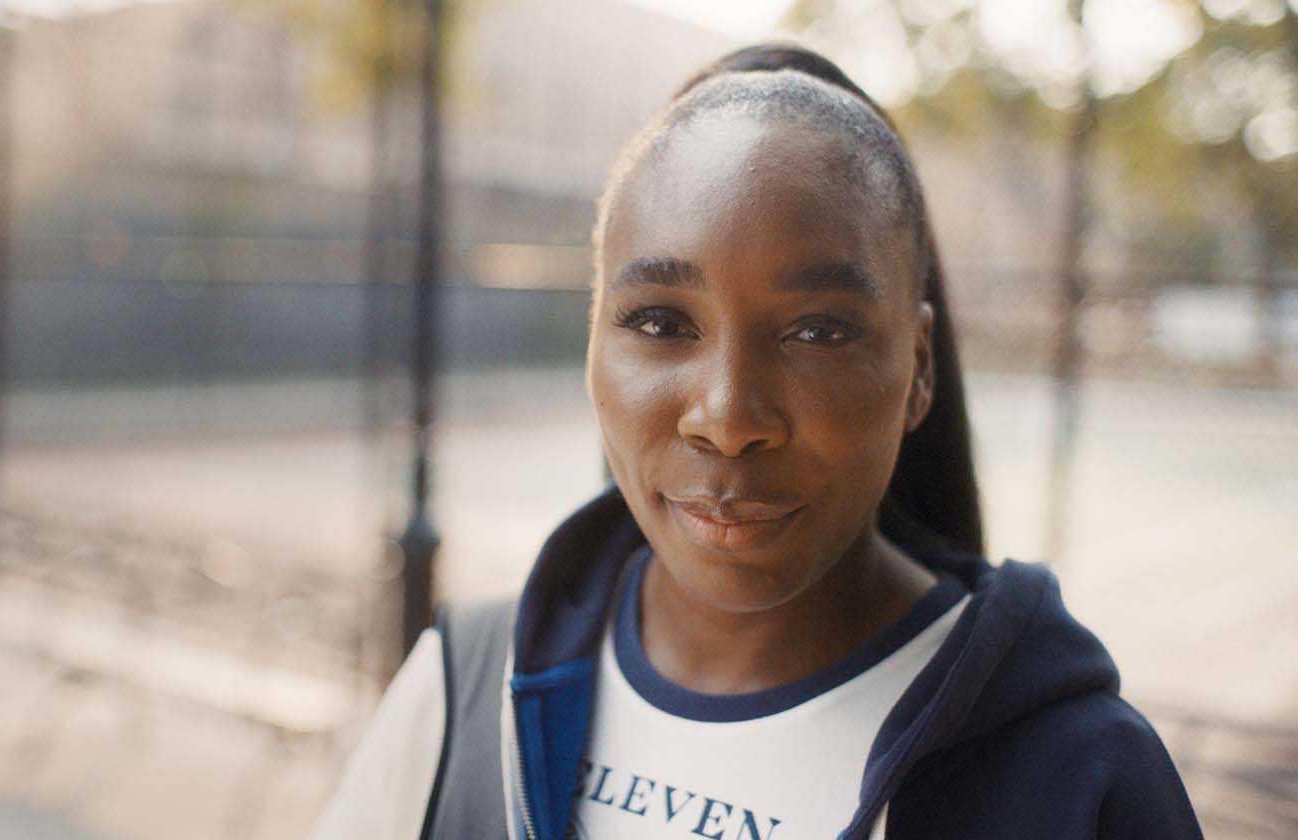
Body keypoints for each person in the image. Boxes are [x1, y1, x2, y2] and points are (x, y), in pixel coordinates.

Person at [312, 43, 1203, 840]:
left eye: (818, 331)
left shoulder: (1077, 781)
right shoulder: (463, 693)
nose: (730, 417)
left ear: (919, 367)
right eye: (660, 321)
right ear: (593, 343)